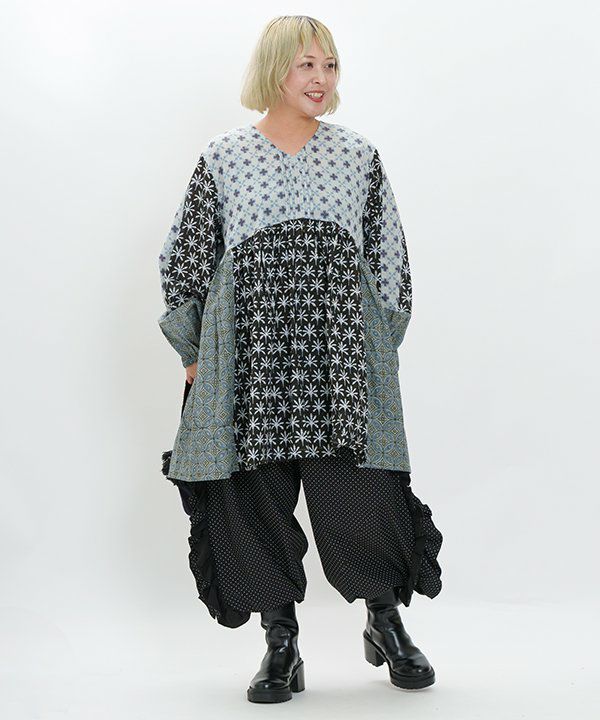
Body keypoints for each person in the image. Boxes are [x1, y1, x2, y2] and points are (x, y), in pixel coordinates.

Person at [157, 15, 444, 703]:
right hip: (249, 357)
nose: (321, 78)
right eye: (306, 65)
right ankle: (280, 639)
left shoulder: (357, 156)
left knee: (360, 487)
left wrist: (380, 347)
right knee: (253, 492)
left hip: (339, 357)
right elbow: (186, 254)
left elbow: (390, 259)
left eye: (330, 65)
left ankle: (385, 619)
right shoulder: (224, 158)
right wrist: (193, 351)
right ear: (275, 70)